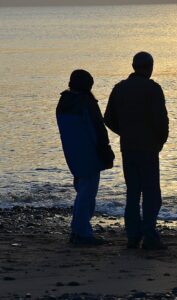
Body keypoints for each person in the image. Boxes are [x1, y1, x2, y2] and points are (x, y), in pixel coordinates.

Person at [104, 52, 169, 250]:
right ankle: (149, 235)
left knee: (133, 192)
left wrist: (124, 132)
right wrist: (160, 141)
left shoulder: (119, 88)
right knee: (151, 193)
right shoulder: (153, 89)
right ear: (150, 67)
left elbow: (108, 118)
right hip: (148, 148)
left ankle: (133, 235)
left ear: (134, 66)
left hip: (128, 147)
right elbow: (161, 121)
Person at [56, 69, 115, 245]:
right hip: (88, 152)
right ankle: (82, 232)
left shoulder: (64, 101)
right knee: (87, 192)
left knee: (83, 190)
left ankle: (79, 230)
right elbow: (97, 129)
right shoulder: (86, 103)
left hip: (72, 152)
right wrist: (105, 150)